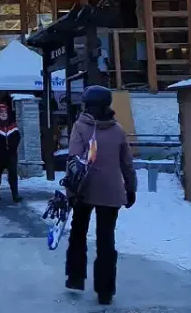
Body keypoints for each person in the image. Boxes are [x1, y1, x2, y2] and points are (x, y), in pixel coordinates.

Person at [66, 86, 136, 306]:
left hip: (84, 190)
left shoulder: (80, 127)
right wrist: (130, 189)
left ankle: (76, 278)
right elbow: (127, 163)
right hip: (111, 191)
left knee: (78, 233)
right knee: (106, 240)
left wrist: (70, 191)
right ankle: (105, 290)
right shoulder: (118, 131)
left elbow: (73, 160)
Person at [0, 102, 22, 202]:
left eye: (5, 112)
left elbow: (18, 137)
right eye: (1, 112)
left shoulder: (13, 125)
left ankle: (15, 194)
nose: (3, 114)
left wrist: (13, 148)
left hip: (11, 154)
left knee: (13, 173)